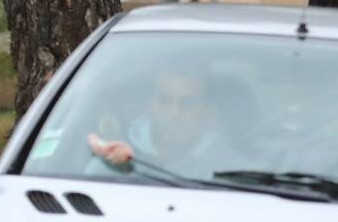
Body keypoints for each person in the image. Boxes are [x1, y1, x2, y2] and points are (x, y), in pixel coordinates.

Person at [86, 68, 239, 175]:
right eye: (164, 101)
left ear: (207, 110)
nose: (175, 113)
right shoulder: (115, 161)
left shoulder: (233, 168)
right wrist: (126, 167)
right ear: (149, 105)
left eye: (188, 103)